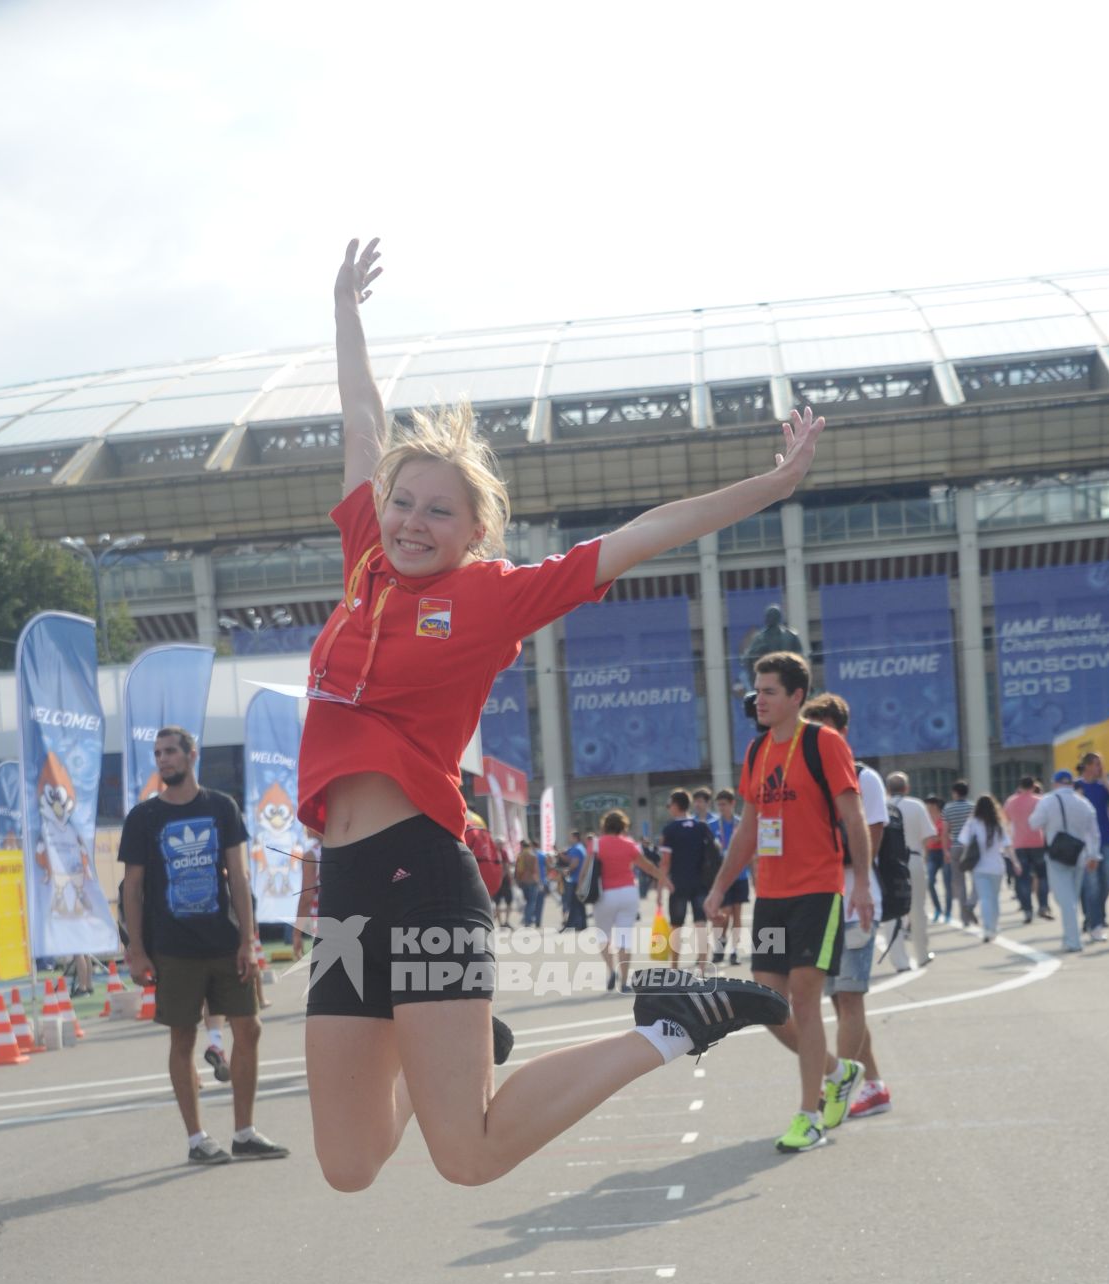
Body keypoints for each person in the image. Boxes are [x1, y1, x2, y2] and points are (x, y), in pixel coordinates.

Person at [298, 237, 812, 1192]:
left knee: (471, 1154)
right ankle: (460, 1045)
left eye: (438, 512)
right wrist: (345, 308)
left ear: (475, 530)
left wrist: (770, 486)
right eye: (403, 502)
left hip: (420, 876)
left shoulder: (492, 596)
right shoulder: (366, 561)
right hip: (345, 882)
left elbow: (644, 533)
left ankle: (670, 1025)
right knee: (349, 1163)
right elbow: (361, 420)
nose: (412, 520)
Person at [704, 654, 874, 1153]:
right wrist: (718, 887)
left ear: (797, 697)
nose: (759, 698)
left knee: (803, 999)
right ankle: (838, 1072)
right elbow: (749, 830)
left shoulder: (824, 744)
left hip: (818, 891)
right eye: (756, 690)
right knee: (768, 1005)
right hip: (771, 895)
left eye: (770, 690)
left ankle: (809, 1115)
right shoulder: (757, 752)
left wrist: (861, 881)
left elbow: (853, 814)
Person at [119, 726, 289, 1165]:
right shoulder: (143, 818)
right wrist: (136, 950)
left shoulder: (221, 807)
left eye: (171, 752)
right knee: (183, 1037)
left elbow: (240, 877)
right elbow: (132, 888)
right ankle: (197, 1140)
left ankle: (244, 1132)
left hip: (224, 941)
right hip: (172, 948)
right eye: (157, 754)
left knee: (249, 1028)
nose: (163, 760)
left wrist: (248, 941)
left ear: (191, 755)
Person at [802, 694, 890, 1119]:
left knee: (849, 1000)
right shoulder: (809, 778)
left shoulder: (863, 778)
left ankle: (832, 1091)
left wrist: (818, 851)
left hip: (856, 903)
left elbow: (869, 843)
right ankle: (872, 1084)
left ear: (843, 732)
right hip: (821, 903)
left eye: (825, 729)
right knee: (840, 1003)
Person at [1028, 771, 1100, 955]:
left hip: (1057, 854)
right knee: (1072, 899)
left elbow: (1034, 823)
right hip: (1079, 855)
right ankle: (1069, 937)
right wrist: (1093, 855)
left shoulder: (1048, 800)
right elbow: (1093, 831)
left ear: (1055, 783)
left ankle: (1073, 941)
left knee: (1065, 900)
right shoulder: (1083, 802)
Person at [595, 809, 665, 990]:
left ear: (604, 826)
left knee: (604, 936)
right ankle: (624, 981)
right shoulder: (629, 844)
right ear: (623, 826)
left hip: (605, 894)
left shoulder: (596, 845)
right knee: (624, 937)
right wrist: (664, 879)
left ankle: (611, 971)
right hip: (628, 892)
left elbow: (586, 871)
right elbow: (647, 866)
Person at [659, 789, 719, 973]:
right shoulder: (701, 826)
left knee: (676, 925)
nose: (669, 808)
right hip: (701, 882)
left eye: (669, 805)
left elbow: (665, 861)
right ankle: (703, 964)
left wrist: (661, 887)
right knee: (701, 924)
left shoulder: (669, 830)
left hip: (678, 883)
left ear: (676, 806)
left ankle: (675, 968)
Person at [886, 771, 934, 969]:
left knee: (891, 912)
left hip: (888, 863)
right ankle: (922, 954)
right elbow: (929, 837)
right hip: (914, 858)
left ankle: (899, 961)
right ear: (907, 787)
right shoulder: (916, 805)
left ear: (888, 789)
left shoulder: (883, 805)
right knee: (918, 909)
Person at [956, 794, 1021, 941]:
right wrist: (1015, 862)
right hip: (997, 866)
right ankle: (994, 926)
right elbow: (1008, 846)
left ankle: (987, 929)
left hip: (979, 867)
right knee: (994, 898)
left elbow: (963, 842)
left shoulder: (972, 823)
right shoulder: (997, 824)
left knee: (985, 899)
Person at [1075, 750, 1109, 941]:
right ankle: (1094, 923)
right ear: (1087, 765)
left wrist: (1105, 780)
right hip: (1086, 844)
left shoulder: (1103, 787)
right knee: (1092, 885)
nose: (1100, 768)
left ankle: (1094, 915)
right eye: (1097, 764)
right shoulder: (1077, 786)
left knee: (1108, 880)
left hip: (1105, 840)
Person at [1002, 775, 1052, 923]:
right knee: (1042, 876)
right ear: (1033, 786)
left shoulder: (1011, 802)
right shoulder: (1040, 801)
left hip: (1019, 843)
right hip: (1038, 842)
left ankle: (1027, 910)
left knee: (1022, 879)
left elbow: (1006, 821)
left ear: (1020, 787)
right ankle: (1043, 905)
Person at [710, 788, 748, 965]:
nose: (721, 808)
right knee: (724, 913)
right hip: (723, 876)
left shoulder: (741, 823)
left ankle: (734, 951)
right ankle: (721, 941)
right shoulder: (712, 825)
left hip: (740, 876)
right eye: (719, 805)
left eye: (724, 805)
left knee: (738, 914)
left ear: (733, 804)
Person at [942, 780, 976, 927]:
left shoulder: (948, 809)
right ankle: (971, 904)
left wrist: (945, 850)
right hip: (971, 848)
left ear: (955, 792)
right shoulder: (973, 807)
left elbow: (944, 832)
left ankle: (964, 918)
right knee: (977, 880)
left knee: (960, 883)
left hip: (955, 847)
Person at [923, 793, 950, 923]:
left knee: (947, 883)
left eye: (928, 803)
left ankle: (948, 912)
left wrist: (937, 838)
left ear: (934, 805)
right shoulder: (925, 818)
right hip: (932, 853)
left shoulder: (943, 816)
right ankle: (938, 908)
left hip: (943, 851)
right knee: (930, 882)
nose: (926, 806)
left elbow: (947, 833)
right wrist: (925, 854)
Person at [514, 838, 541, 928]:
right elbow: (535, 870)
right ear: (529, 846)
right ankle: (527, 920)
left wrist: (517, 880)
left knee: (526, 901)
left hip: (523, 881)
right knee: (531, 902)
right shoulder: (533, 856)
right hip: (532, 880)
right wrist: (538, 880)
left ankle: (526, 919)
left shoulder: (520, 856)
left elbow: (517, 870)